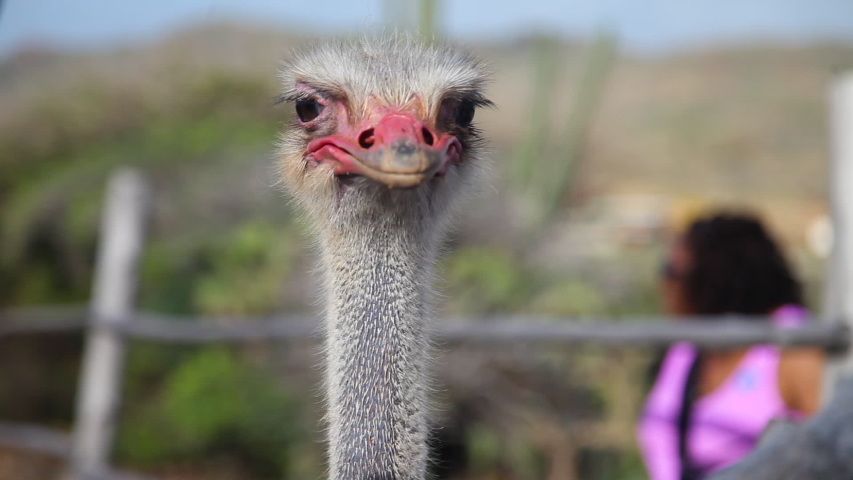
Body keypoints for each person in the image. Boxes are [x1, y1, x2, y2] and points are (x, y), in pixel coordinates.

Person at [636, 212, 825, 480]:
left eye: (673, 273)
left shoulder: (793, 344)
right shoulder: (688, 345)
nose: (665, 285)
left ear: (717, 276)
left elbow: (836, 450)